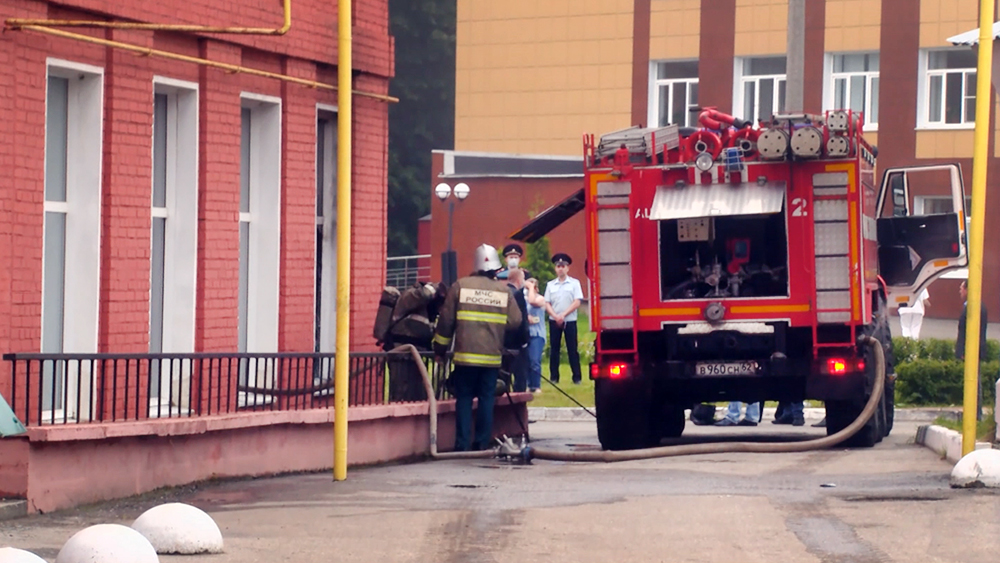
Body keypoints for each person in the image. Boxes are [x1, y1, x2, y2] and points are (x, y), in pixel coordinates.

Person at [433, 244, 523, 451]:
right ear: (496, 268)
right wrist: (496, 327)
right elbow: (515, 321)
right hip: (491, 358)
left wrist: (440, 349)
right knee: (486, 399)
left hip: (465, 358)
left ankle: (462, 445)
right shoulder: (503, 291)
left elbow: (446, 322)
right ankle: (482, 443)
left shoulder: (460, 286)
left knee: (463, 399)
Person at [544, 253, 584, 384]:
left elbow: (577, 301)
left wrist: (564, 314)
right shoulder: (550, 285)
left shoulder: (574, 283)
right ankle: (554, 377)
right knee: (554, 350)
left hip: (569, 320)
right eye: (558, 266)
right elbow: (547, 303)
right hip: (554, 320)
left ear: (567, 268)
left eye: (563, 266)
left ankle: (577, 377)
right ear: (555, 269)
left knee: (572, 349)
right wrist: (555, 316)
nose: (560, 268)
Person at [955, 279, 987, 420]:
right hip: (971, 351)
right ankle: (973, 413)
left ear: (968, 290)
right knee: (972, 381)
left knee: (974, 382)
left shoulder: (975, 307)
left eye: (962, 288)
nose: (960, 291)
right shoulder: (972, 306)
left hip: (972, 351)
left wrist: (963, 351)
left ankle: (975, 414)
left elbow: (968, 331)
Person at [504, 268, 530, 392]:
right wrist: (525, 340)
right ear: (519, 280)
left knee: (504, 374)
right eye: (523, 279)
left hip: (502, 341)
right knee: (520, 376)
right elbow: (522, 319)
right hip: (516, 343)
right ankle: (518, 402)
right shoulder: (518, 294)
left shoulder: (502, 292)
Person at [524, 277, 547, 393]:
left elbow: (533, 301)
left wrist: (531, 287)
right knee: (527, 360)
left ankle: (536, 385)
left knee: (534, 360)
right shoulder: (524, 299)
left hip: (537, 334)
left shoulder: (541, 299)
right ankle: (529, 384)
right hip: (527, 333)